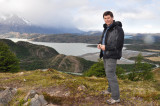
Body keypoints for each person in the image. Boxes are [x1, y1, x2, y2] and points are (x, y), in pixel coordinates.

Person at [97, 11, 124, 105]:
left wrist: (106, 47)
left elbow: (119, 45)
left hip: (112, 55)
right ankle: (110, 90)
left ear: (112, 17)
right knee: (108, 74)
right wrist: (100, 44)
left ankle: (116, 98)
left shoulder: (118, 29)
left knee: (111, 75)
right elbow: (103, 39)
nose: (106, 20)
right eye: (105, 18)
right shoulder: (106, 28)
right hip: (105, 54)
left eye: (108, 18)